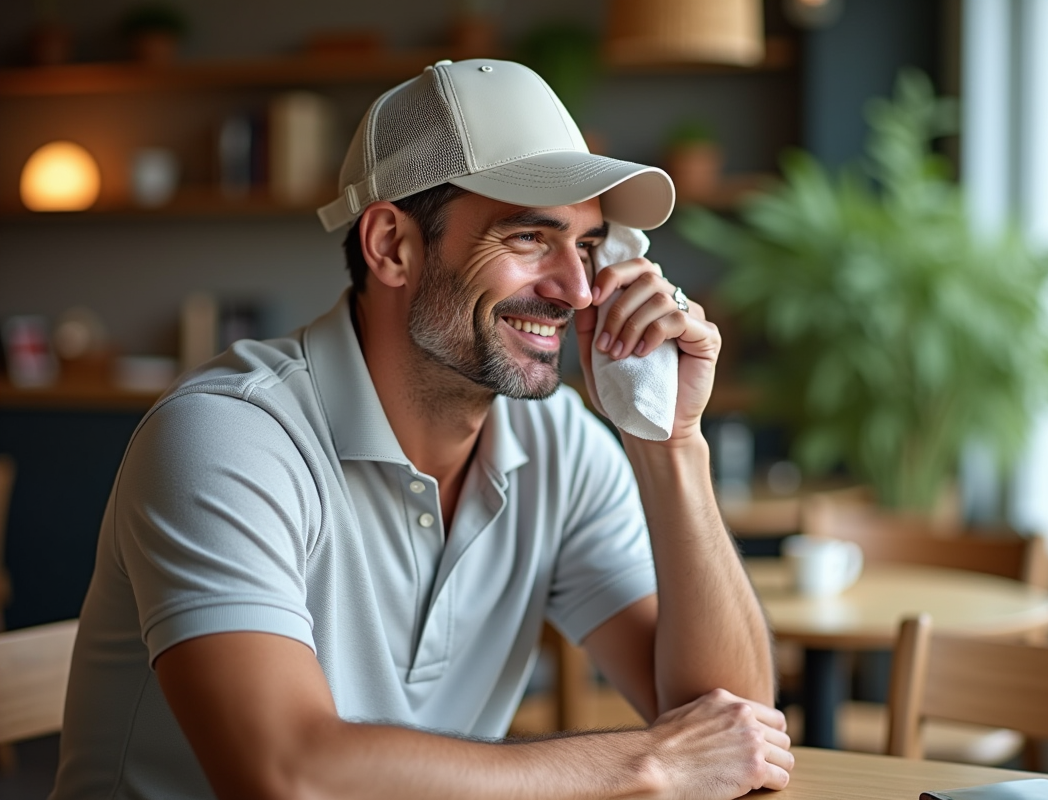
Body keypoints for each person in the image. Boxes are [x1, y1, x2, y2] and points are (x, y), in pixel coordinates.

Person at [51, 59, 791, 800]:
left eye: (591, 247)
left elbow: (734, 731)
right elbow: (285, 775)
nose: (576, 290)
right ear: (391, 247)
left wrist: (669, 441)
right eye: (532, 237)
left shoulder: (560, 443)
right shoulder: (226, 438)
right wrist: (650, 764)